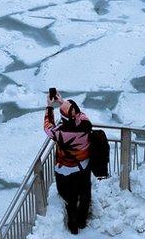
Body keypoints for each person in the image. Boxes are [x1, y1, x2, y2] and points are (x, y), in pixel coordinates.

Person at [44, 91, 92, 235]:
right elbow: (79, 114)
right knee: (85, 193)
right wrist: (64, 103)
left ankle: (73, 226)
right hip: (83, 166)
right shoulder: (86, 125)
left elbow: (48, 127)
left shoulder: (60, 133)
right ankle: (82, 221)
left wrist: (50, 107)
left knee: (71, 199)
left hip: (65, 170)